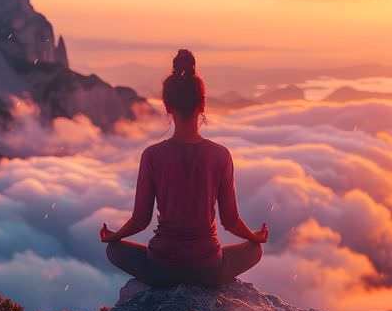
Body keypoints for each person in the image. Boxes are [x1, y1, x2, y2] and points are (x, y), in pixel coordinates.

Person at [100, 49, 267, 287]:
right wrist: (255, 237)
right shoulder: (220, 155)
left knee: (113, 251)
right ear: (202, 105)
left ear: (167, 106)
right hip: (208, 269)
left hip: (161, 268)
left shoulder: (152, 156)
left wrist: (114, 236)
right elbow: (230, 221)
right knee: (255, 251)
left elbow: (140, 220)